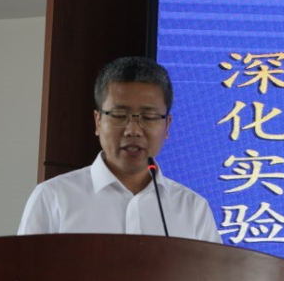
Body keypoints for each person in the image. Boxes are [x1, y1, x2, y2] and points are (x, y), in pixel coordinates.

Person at [18, 56, 222, 243]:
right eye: (119, 115)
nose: (133, 130)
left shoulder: (193, 209)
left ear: (167, 126)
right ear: (98, 121)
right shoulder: (53, 198)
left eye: (148, 117)